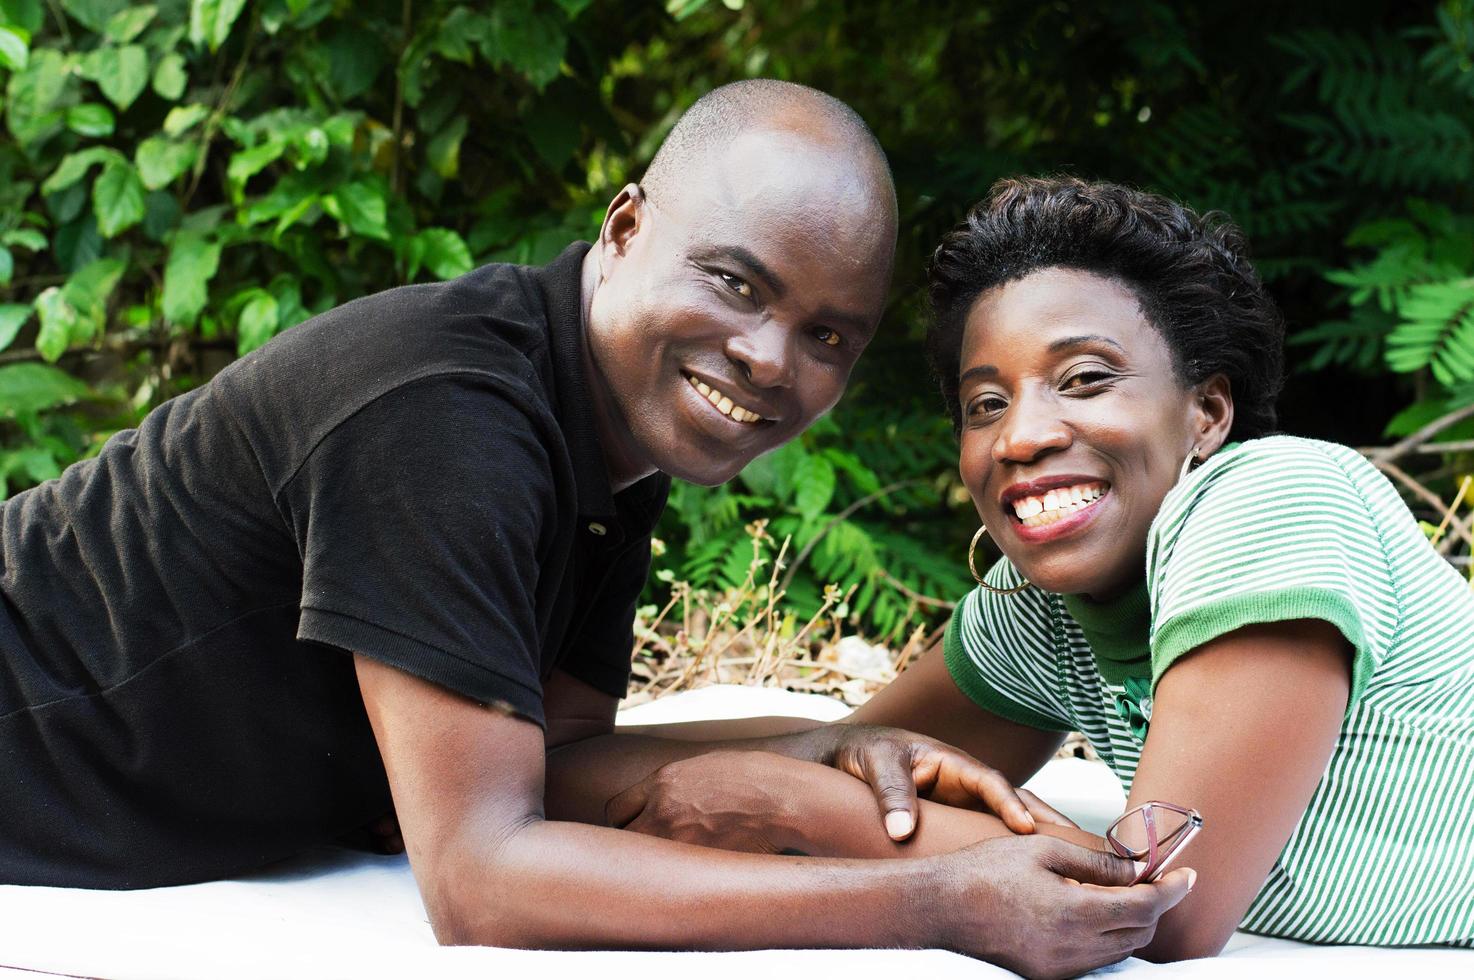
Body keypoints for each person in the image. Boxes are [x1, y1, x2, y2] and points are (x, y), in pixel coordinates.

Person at [0, 86, 1191, 975]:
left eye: (829, 334)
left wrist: (815, 750)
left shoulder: (609, 447)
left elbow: (556, 762)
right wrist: (942, 898)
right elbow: (483, 880)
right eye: (735, 282)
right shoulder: (446, 414)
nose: (770, 359)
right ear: (623, 229)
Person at [600, 176, 1474, 960]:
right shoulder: (1038, 611)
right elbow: (845, 757)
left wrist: (793, 809)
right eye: (987, 403)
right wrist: (516, 769)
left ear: (1207, 411)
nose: (1020, 437)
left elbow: (1159, 905)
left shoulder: (1276, 498)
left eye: (1086, 378)